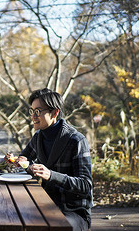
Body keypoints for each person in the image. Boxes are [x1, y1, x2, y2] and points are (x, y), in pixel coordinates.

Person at [16, 88, 93, 231]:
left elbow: (86, 185)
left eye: (38, 111)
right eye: (32, 111)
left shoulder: (76, 140)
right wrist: (19, 162)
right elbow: (25, 158)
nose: (33, 116)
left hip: (73, 212)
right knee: (14, 216)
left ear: (55, 112)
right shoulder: (39, 137)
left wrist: (51, 175)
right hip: (46, 204)